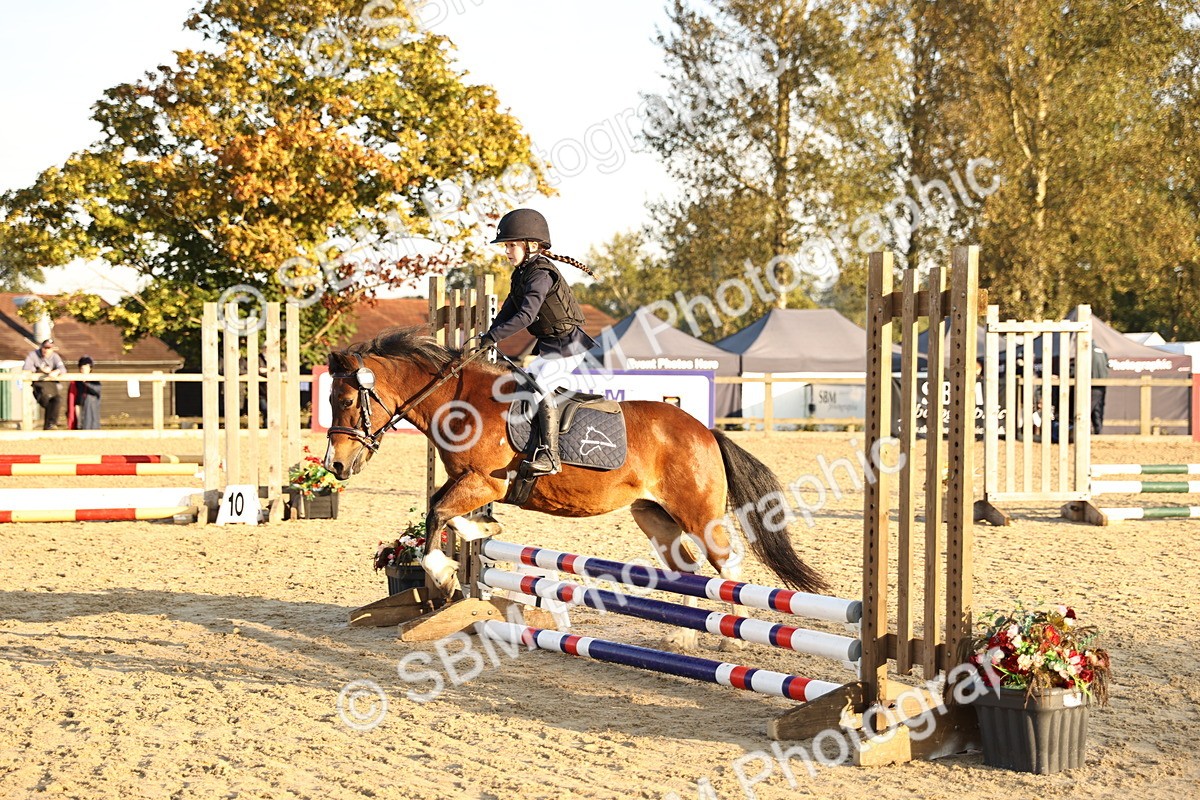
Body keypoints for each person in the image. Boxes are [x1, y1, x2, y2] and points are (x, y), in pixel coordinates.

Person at [474, 208, 597, 476]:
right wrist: (486, 337)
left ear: (531, 245)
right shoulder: (522, 273)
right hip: (552, 348)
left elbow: (526, 315)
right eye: (506, 245)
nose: (506, 251)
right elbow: (509, 308)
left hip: (569, 348)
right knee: (522, 385)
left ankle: (550, 457)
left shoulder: (540, 274)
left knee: (539, 387)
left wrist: (495, 337)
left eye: (511, 245)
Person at [23, 338, 66, 429]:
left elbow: (63, 369)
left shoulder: (55, 356)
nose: (46, 350)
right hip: (39, 387)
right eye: (45, 348)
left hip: (52, 387)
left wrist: (56, 371)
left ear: (52, 349)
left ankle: (50, 425)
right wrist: (40, 370)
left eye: (49, 348)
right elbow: (26, 369)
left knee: (57, 400)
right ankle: (49, 426)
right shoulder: (33, 355)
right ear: (41, 347)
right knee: (48, 399)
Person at [73, 355, 102, 430]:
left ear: (90, 368)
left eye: (86, 367)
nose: (83, 370)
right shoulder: (77, 381)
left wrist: (87, 383)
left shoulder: (95, 380)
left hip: (91, 406)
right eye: (82, 368)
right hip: (80, 405)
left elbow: (97, 389)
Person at [1091, 344, 1109, 435]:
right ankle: (1099, 431)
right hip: (1102, 382)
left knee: (1087, 408)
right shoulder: (1102, 350)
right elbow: (1107, 365)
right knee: (1098, 408)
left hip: (1091, 383)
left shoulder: (1086, 349)